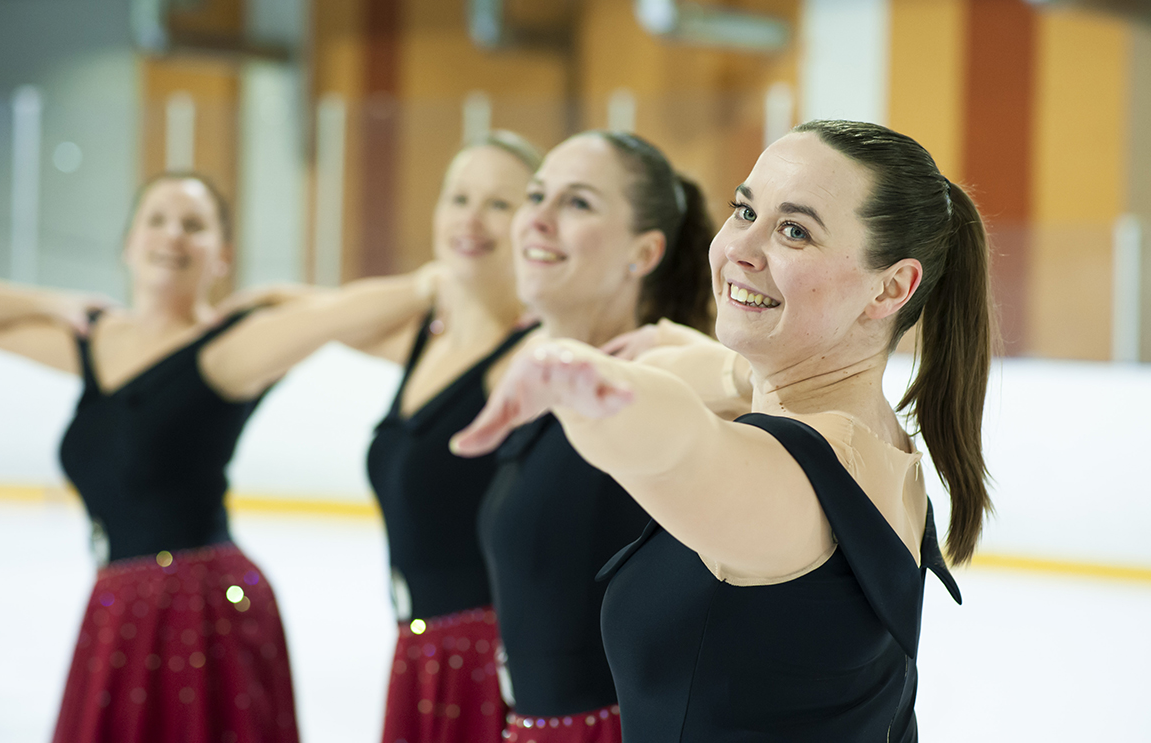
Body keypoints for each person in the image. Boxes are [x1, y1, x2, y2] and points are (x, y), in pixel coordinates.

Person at [455, 119, 993, 742]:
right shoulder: (875, 435)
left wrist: (583, 386)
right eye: (745, 211)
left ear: (891, 287)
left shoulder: (796, 479)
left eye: (795, 231)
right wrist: (723, 368)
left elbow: (683, 446)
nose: (742, 247)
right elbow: (719, 377)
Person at [0, 172, 441, 743]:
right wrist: (45, 300)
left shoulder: (232, 348)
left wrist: (286, 296)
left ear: (222, 256)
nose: (173, 235)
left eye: (193, 226)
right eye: (157, 220)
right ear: (128, 244)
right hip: (117, 608)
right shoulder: (95, 342)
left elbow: (342, 318)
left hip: (201, 612)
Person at [471, 131, 715, 743]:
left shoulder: (653, 391)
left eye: (577, 203)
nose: (538, 219)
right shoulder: (540, 380)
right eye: (536, 196)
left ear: (644, 252)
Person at [365, 131, 543, 743]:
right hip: (420, 646)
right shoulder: (424, 342)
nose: (471, 219)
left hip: (487, 656)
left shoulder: (534, 355)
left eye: (499, 203)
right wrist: (422, 285)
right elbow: (308, 317)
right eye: (458, 198)